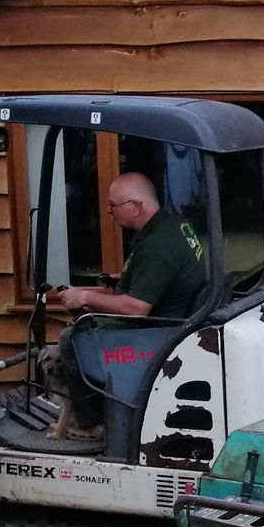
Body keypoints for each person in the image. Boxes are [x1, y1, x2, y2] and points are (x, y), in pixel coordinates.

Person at [52, 172, 208, 437]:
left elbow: (137, 308)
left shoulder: (157, 247)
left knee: (73, 337)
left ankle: (93, 423)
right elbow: (161, 274)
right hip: (172, 318)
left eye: (114, 205)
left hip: (156, 333)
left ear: (136, 207)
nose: (109, 211)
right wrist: (124, 280)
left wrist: (86, 298)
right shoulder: (172, 225)